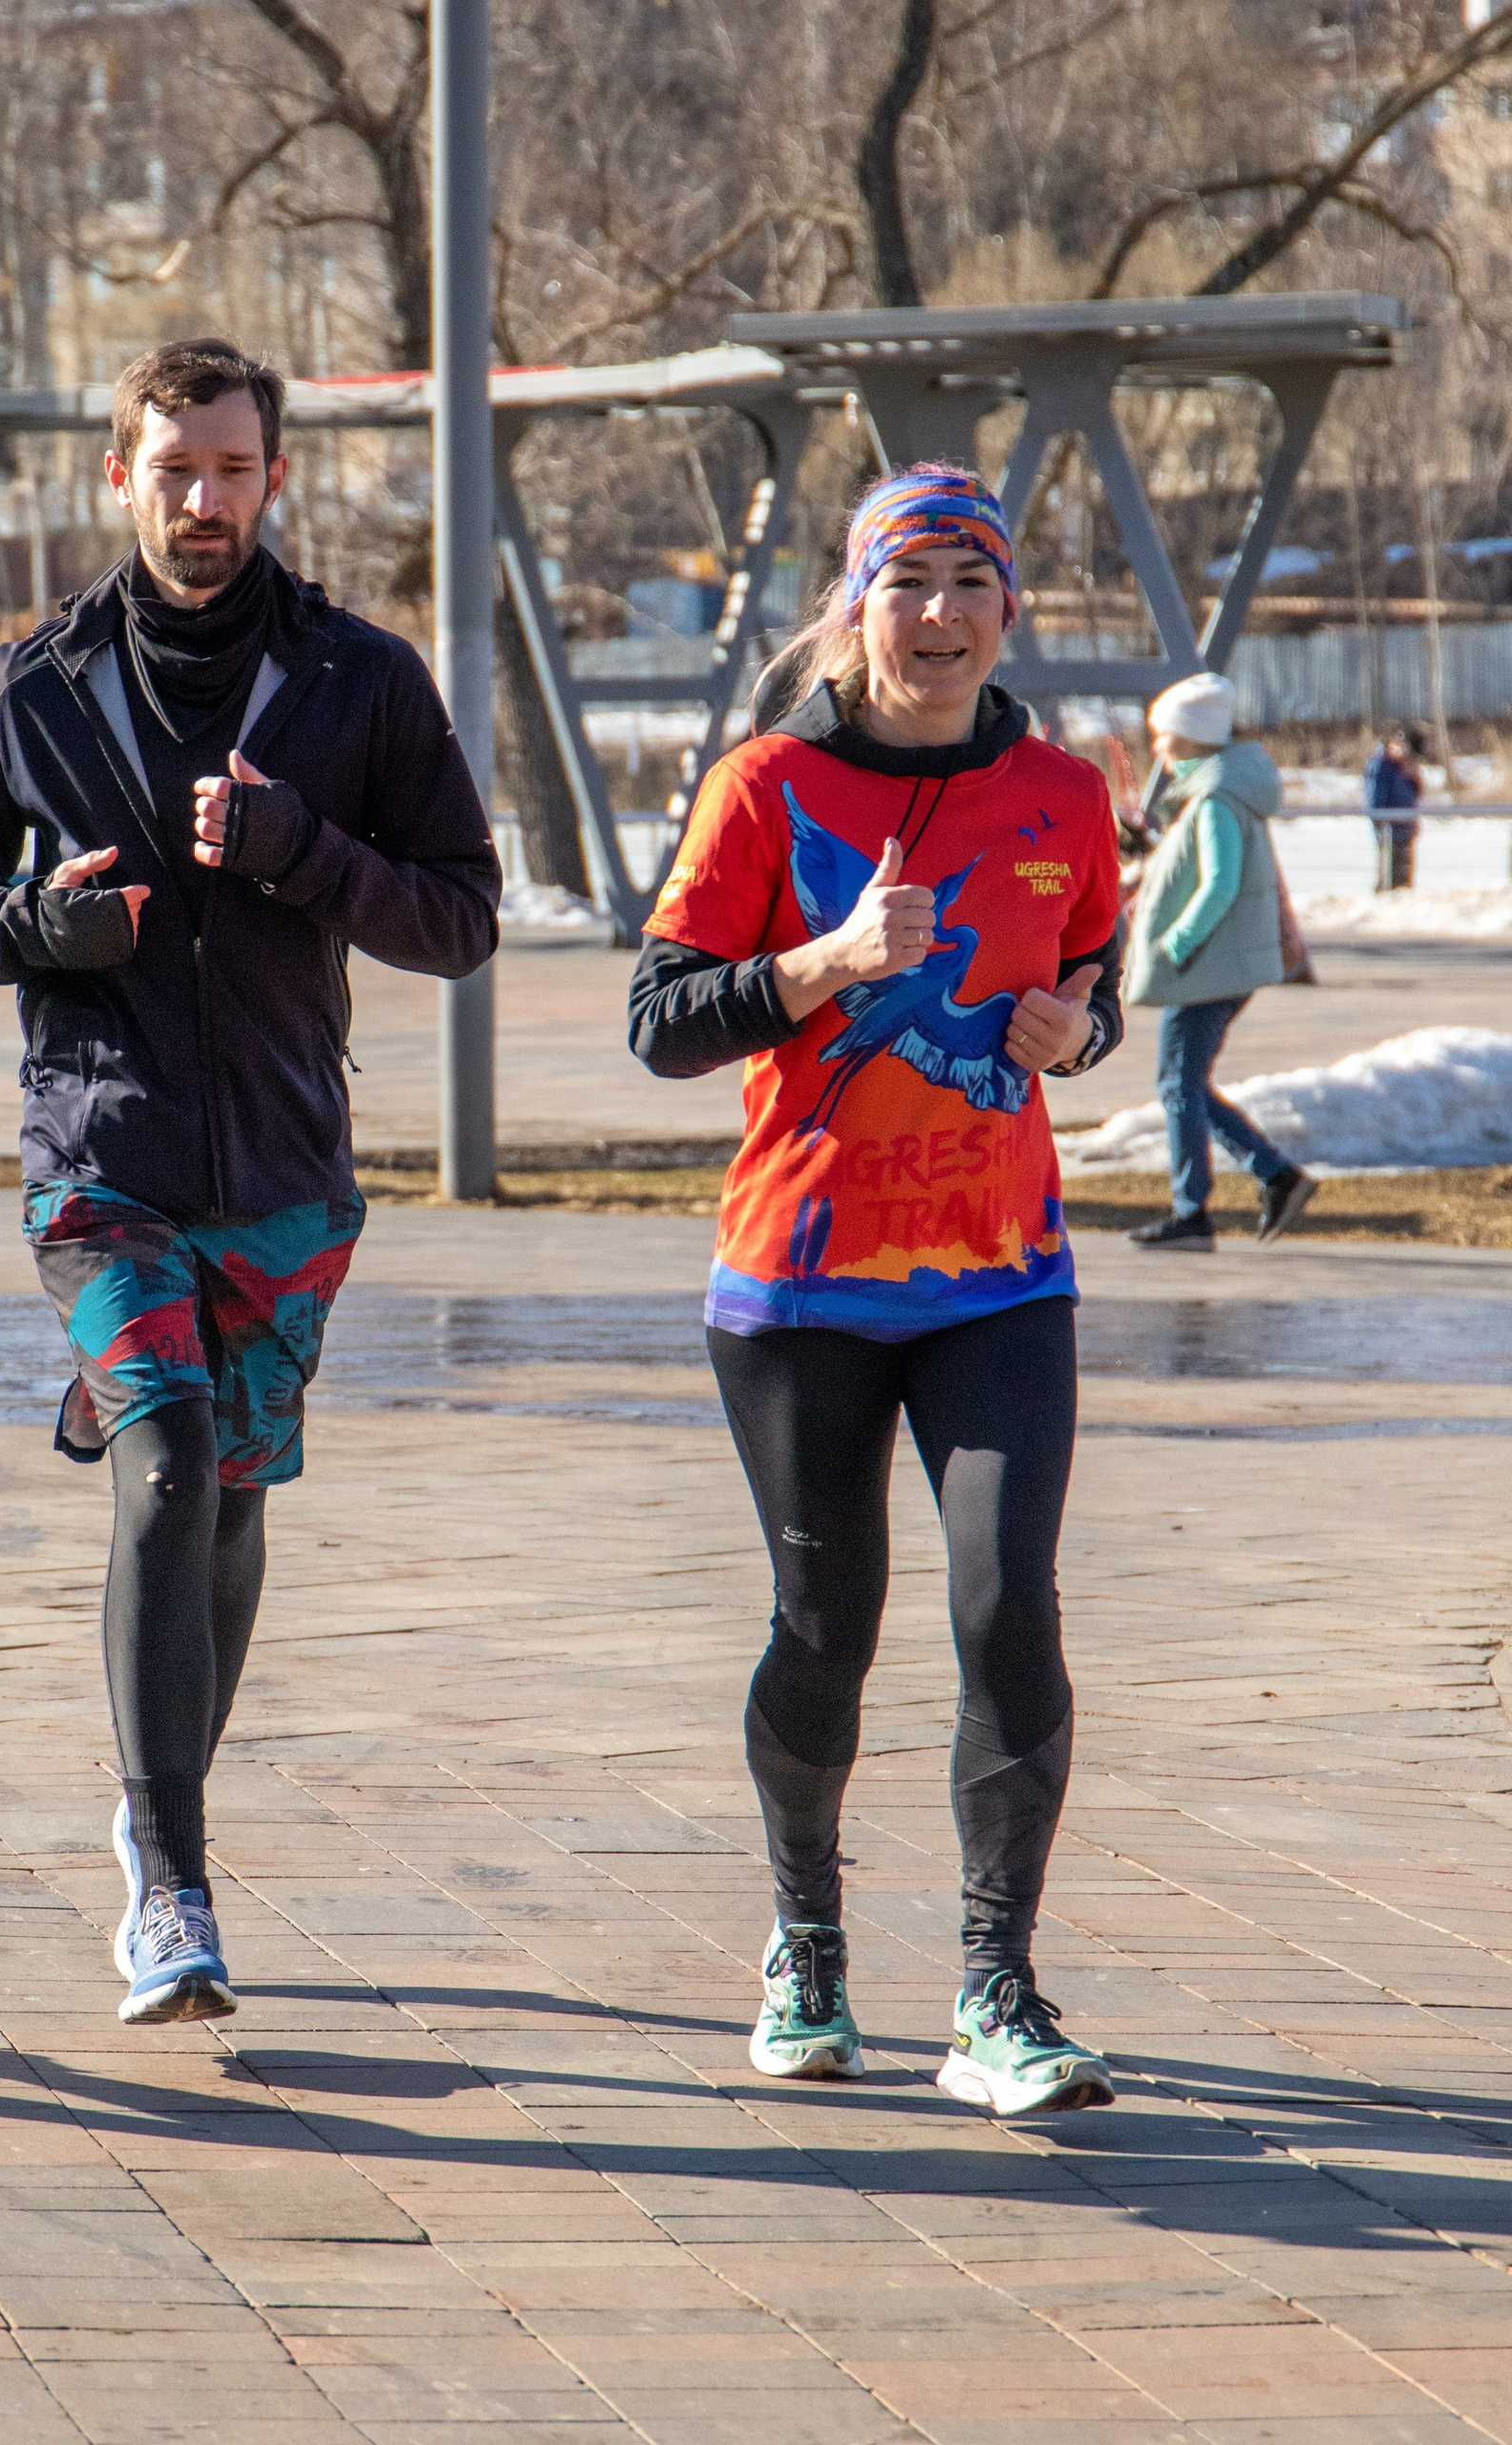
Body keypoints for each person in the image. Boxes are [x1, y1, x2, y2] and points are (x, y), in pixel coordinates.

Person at [0, 338, 500, 2027]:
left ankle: (160, 1803)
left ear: (274, 478)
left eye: (232, 469)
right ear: (118, 477)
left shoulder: (361, 683)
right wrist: (37, 929)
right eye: (173, 470)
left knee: (231, 1498)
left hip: (290, 1174)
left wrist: (308, 850)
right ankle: (171, 1877)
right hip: (102, 1158)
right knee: (164, 1465)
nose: (204, 499)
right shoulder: (39, 681)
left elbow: (462, 915)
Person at [628, 462, 1123, 2120]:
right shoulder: (767, 788)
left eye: (971, 583)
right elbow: (663, 1021)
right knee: (827, 1630)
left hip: (1000, 1277)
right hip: (802, 1285)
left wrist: (1083, 1030)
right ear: (853, 611)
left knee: (1007, 1607)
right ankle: (806, 1934)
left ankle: (997, 1986)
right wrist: (823, 965)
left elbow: (1090, 977)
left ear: (1012, 609)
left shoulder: (1065, 791)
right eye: (907, 585)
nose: (940, 617)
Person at [1124, 672, 1313, 1250]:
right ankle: (1266, 1178)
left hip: (1206, 968)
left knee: (1178, 1082)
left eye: (1163, 736)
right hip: (1219, 966)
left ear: (1190, 737)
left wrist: (1175, 945)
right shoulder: (1221, 791)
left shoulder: (1214, 799)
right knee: (1183, 1082)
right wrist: (1151, 849)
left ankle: (1205, 1207)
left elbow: (1219, 883)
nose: (1157, 747)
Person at [1362, 724, 1422, 893]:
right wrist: (1381, 823)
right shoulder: (1380, 765)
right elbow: (1375, 798)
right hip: (1389, 830)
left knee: (1404, 879)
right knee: (1388, 876)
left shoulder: (1404, 765)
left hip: (1406, 828)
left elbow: (1416, 793)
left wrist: (1413, 774)